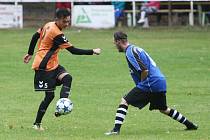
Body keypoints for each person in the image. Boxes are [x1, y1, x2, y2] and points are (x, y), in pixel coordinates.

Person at [105, 31, 198, 135]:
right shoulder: (135, 48)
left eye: (114, 42)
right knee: (163, 109)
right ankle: (190, 125)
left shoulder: (130, 52)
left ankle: (115, 130)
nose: (114, 44)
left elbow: (144, 70)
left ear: (118, 42)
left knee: (124, 101)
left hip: (151, 82)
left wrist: (141, 83)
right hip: (160, 81)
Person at [23, 9, 101, 131]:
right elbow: (73, 51)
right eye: (65, 22)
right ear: (58, 19)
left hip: (53, 64)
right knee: (49, 96)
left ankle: (61, 106)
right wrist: (92, 51)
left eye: (68, 21)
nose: (67, 24)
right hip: (44, 66)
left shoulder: (48, 24)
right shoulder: (57, 33)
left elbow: (35, 36)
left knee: (67, 78)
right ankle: (36, 124)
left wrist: (29, 53)